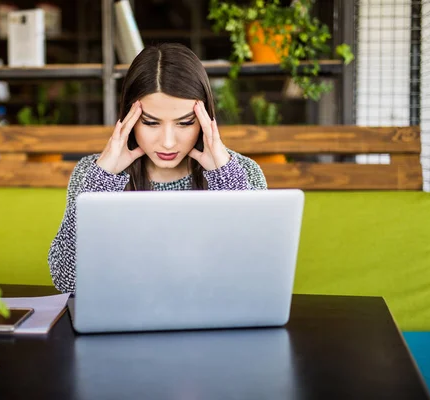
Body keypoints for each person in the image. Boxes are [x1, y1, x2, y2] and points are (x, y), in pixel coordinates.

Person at [48, 43, 267, 293]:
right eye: (150, 122)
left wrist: (226, 179)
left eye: (185, 123)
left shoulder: (243, 173)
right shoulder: (94, 173)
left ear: (206, 119)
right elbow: (67, 282)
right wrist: (102, 179)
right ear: (128, 118)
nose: (168, 141)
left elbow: (255, 278)